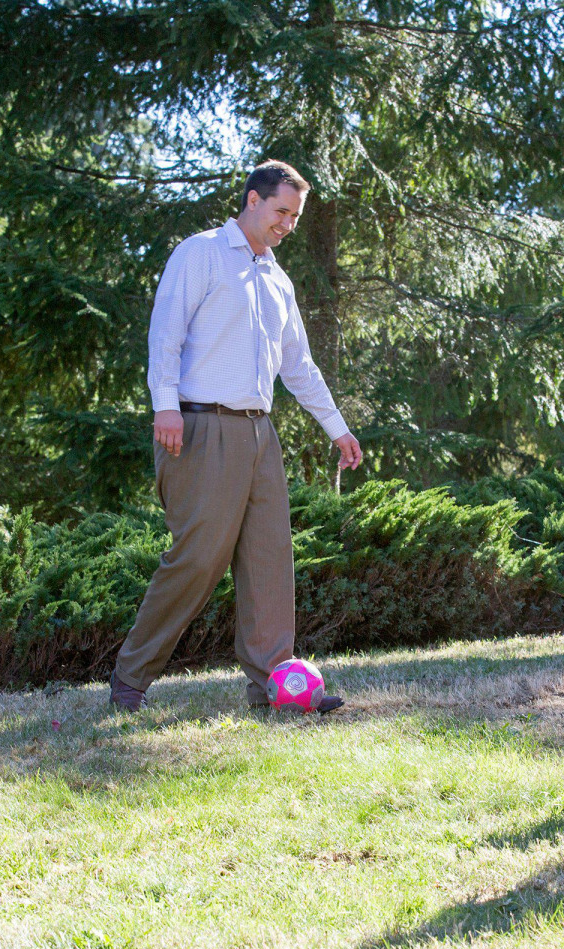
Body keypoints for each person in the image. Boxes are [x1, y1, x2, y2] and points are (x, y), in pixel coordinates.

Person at [108, 160, 362, 714]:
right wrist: (165, 407)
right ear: (252, 200)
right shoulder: (199, 253)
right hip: (198, 427)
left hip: (258, 434)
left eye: (296, 216)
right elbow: (166, 333)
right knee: (198, 559)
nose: (288, 225)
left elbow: (298, 364)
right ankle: (130, 679)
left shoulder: (277, 279)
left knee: (270, 560)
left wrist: (336, 427)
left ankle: (276, 686)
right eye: (281, 212)